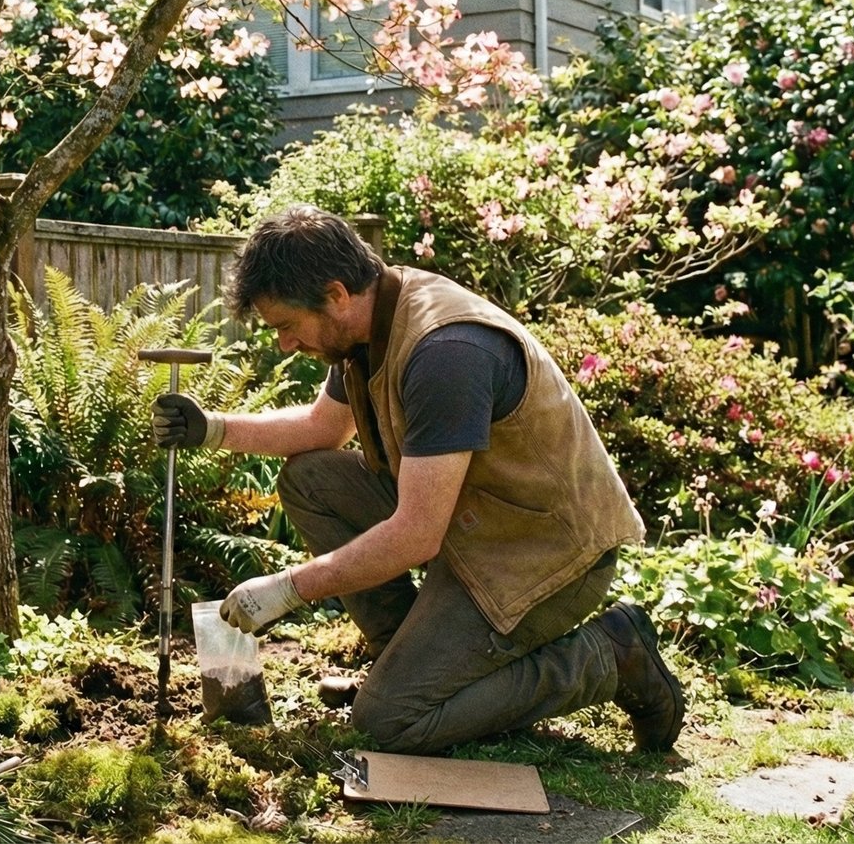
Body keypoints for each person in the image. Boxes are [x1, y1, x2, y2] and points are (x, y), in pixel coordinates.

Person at [152, 205, 684, 755]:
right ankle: (403, 659)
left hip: (539, 555)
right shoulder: (367, 324)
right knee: (312, 478)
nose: (285, 344)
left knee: (388, 724)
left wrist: (289, 588)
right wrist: (211, 428)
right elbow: (321, 428)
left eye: (287, 326)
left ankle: (609, 657)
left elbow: (416, 535)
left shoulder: (445, 353)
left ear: (335, 294)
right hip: (474, 525)